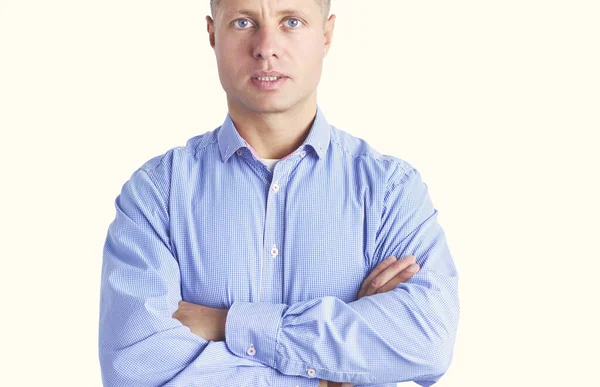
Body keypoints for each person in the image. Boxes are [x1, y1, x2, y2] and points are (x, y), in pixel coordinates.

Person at [98, 0, 460, 386]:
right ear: (212, 34)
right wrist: (331, 373)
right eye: (242, 22)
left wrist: (226, 323)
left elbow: (426, 343)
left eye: (291, 21)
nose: (266, 47)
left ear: (326, 34)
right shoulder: (158, 193)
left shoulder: (390, 191)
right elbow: (134, 368)